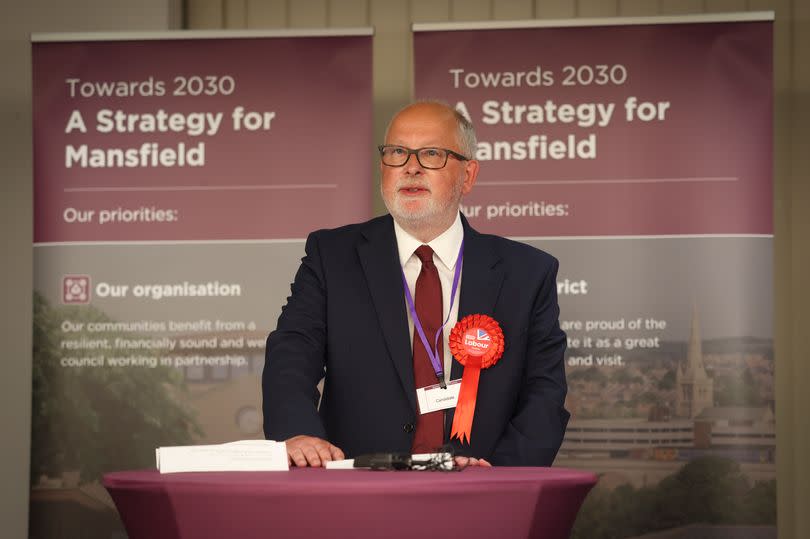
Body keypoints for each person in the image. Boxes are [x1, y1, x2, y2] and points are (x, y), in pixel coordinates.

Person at [263, 100, 568, 467]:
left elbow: (544, 394)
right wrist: (296, 432)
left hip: (482, 498)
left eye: (432, 154)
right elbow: (292, 352)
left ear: (468, 176)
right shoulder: (331, 256)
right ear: (382, 168)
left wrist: (498, 480)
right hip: (357, 492)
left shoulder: (527, 273)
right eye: (397, 153)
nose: (410, 167)